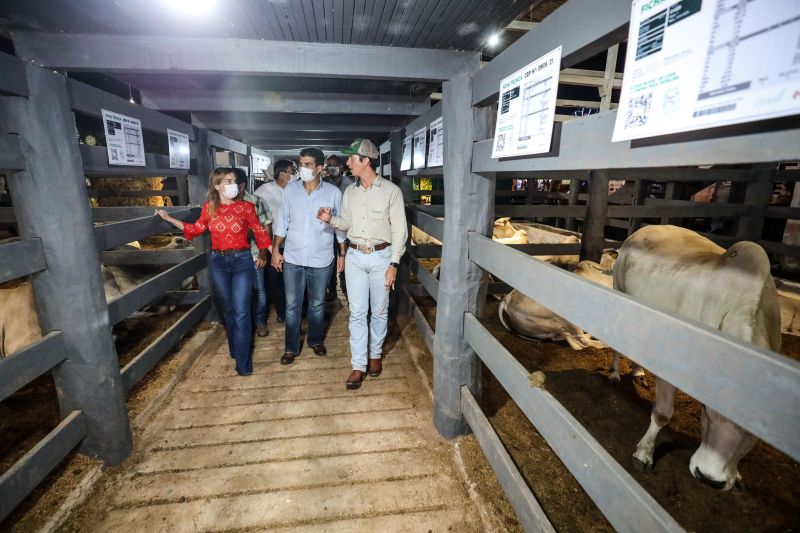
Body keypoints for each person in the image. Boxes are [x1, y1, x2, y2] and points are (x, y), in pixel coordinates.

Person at [156, 167, 271, 376]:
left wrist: (264, 252)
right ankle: (236, 349)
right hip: (219, 262)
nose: (233, 184)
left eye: (234, 180)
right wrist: (169, 219)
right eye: (228, 181)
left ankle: (244, 364)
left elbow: (260, 231)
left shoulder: (246, 207)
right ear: (217, 185)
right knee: (227, 310)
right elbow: (196, 229)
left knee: (242, 311)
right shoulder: (209, 208)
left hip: (242, 261)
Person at [317, 139, 408, 390]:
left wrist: (394, 263)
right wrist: (330, 219)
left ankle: (375, 355)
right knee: (357, 313)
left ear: (365, 160)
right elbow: (346, 223)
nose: (347, 163)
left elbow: (400, 231)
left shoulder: (391, 191)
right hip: (356, 256)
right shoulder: (350, 192)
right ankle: (358, 365)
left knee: (379, 311)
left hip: (382, 256)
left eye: (351, 158)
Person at [271, 148, 346, 365]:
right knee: (292, 304)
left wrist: (342, 253)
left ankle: (315, 340)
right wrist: (276, 250)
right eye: (301, 164)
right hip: (293, 257)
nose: (303, 168)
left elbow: (339, 227)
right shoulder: (291, 191)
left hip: (321, 258)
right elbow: (282, 222)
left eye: (308, 164)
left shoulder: (333, 193)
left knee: (317, 303)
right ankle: (291, 347)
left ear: (320, 168)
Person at [232, 167, 272, 337]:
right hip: (233, 256)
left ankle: (260, 321)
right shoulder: (222, 203)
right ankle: (244, 324)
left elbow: (266, 227)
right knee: (239, 291)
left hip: (254, 253)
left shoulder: (256, 201)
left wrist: (263, 253)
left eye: (230, 182)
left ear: (241, 186)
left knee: (259, 290)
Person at [254, 159, 295, 324]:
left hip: (294, 243)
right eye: (291, 171)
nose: (293, 175)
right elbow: (256, 217)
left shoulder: (296, 189)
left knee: (293, 279)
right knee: (276, 279)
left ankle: (297, 310)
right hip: (274, 245)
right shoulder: (263, 191)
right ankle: (281, 311)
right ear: (281, 173)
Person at [322, 155, 354, 301]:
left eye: (334, 164)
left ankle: (346, 289)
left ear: (341, 166)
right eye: (329, 165)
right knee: (330, 259)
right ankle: (331, 290)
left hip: (345, 229)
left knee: (345, 259)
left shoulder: (350, 184)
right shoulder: (322, 184)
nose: (331, 167)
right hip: (328, 228)